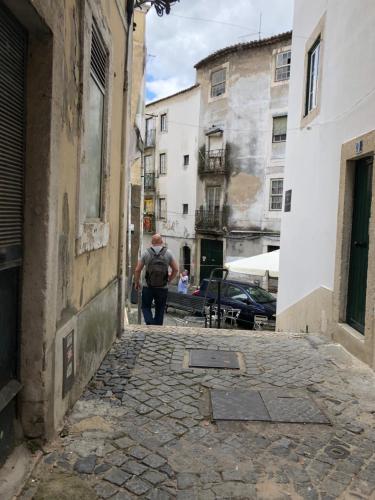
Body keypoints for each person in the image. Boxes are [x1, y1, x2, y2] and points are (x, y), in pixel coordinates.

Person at [134, 234, 178, 325]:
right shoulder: (168, 253)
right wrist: (169, 279)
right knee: (160, 309)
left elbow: (137, 270)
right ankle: (157, 329)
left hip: (148, 286)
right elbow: (176, 269)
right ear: (162, 242)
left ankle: (150, 323)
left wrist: (136, 282)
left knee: (145, 307)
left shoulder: (146, 253)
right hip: (163, 287)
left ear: (152, 242)